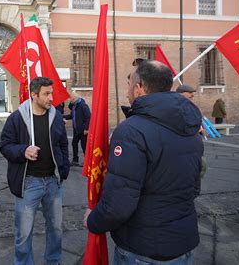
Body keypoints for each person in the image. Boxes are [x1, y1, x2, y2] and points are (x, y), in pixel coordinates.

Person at [84, 61, 203, 264]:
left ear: (139, 89)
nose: (127, 91)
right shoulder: (191, 127)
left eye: (130, 84)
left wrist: (93, 221)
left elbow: (119, 204)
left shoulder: (131, 131)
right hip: (183, 243)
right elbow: (194, 186)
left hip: (142, 249)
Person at [0, 77, 70, 265]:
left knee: (56, 229)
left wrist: (64, 169)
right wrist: (23, 151)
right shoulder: (17, 118)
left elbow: (63, 143)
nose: (51, 98)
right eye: (46, 94)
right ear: (34, 95)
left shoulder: (55, 116)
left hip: (53, 182)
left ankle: (53, 261)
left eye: (51, 93)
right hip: (28, 182)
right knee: (23, 233)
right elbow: (5, 146)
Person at [64, 91, 91, 166]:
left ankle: (87, 162)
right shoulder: (74, 105)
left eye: (71, 99)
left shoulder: (83, 105)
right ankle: (75, 160)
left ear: (75, 98)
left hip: (83, 130)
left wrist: (86, 128)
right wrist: (62, 116)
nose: (70, 100)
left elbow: (88, 117)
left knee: (84, 146)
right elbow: (72, 116)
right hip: (76, 130)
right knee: (74, 144)